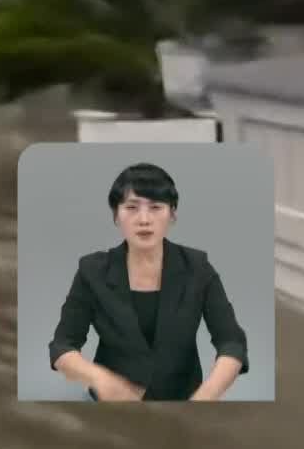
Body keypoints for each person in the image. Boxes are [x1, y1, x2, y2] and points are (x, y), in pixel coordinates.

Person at [48, 162, 249, 402]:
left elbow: (232, 342)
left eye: (156, 207)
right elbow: (62, 345)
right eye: (131, 207)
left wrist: (205, 397)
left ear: (172, 213)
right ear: (115, 215)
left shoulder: (198, 268)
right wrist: (98, 378)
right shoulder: (92, 271)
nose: (144, 219)